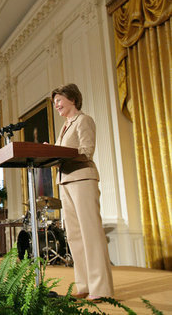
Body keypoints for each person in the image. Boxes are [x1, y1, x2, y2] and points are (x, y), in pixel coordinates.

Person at [52, 83, 114, 301]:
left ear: (73, 100)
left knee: (90, 233)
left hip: (83, 178)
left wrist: (57, 152)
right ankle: (85, 284)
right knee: (75, 236)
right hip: (65, 181)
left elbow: (86, 151)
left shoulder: (84, 120)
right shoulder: (64, 126)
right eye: (54, 102)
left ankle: (101, 289)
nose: (56, 105)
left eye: (59, 100)